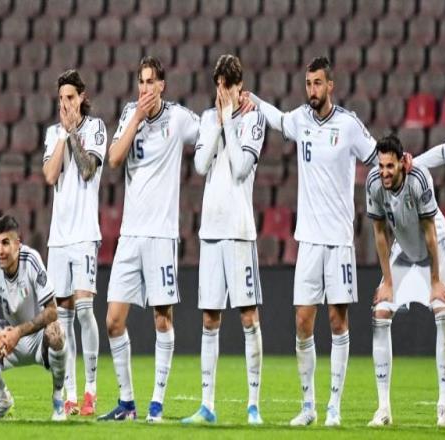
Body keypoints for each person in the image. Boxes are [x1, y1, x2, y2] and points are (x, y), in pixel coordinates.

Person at [248, 56, 378, 426]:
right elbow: (277, 119)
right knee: (303, 320)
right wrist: (252, 99)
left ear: (330, 85)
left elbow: (375, 159)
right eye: (308, 83)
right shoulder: (301, 119)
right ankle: (309, 406)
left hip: (339, 241)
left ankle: (334, 405)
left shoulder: (348, 125)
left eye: (317, 83)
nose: (312, 90)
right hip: (307, 240)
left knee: (338, 321)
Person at [98, 56, 200, 423]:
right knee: (113, 320)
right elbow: (113, 159)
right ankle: (127, 404)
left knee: (162, 318)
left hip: (161, 236)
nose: (144, 88)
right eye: (140, 82)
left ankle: (156, 403)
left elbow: (209, 132)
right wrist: (137, 119)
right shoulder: (130, 113)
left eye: (149, 82)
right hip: (130, 235)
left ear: (162, 86)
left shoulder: (179, 118)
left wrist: (235, 110)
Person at [181, 55, 266, 425]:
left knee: (248, 316)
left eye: (228, 85)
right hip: (211, 230)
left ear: (239, 85)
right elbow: (201, 165)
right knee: (209, 319)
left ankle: (253, 405)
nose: (222, 91)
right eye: (218, 84)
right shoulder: (207, 119)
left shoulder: (253, 120)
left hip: (239, 230)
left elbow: (240, 167)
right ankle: (207, 405)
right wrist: (218, 120)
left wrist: (230, 118)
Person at [366, 134, 445, 427]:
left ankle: (443, 406)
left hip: (434, 248)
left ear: (402, 163)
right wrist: (388, 283)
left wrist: (436, 282)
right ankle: (383, 409)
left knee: (444, 316)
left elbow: (430, 232)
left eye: (390, 166)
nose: (384, 172)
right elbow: (380, 234)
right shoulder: (374, 183)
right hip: (404, 250)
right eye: (381, 166)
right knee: (380, 313)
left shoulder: (419, 179)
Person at [42, 69, 106, 416]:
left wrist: (73, 136)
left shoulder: (96, 129)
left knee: (84, 310)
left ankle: (90, 390)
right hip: (59, 238)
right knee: (62, 319)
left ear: (82, 97)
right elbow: (50, 175)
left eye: (70, 97)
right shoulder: (53, 133)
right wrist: (64, 136)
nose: (65, 103)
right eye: (61, 98)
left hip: (84, 235)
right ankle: (69, 394)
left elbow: (87, 170)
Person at [0, 215, 67, 421]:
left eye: (5, 243)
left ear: (18, 244)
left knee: (56, 331)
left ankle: (58, 399)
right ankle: (2, 398)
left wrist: (18, 332)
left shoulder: (31, 260)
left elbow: (52, 311)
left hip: (37, 339)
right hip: (8, 340)